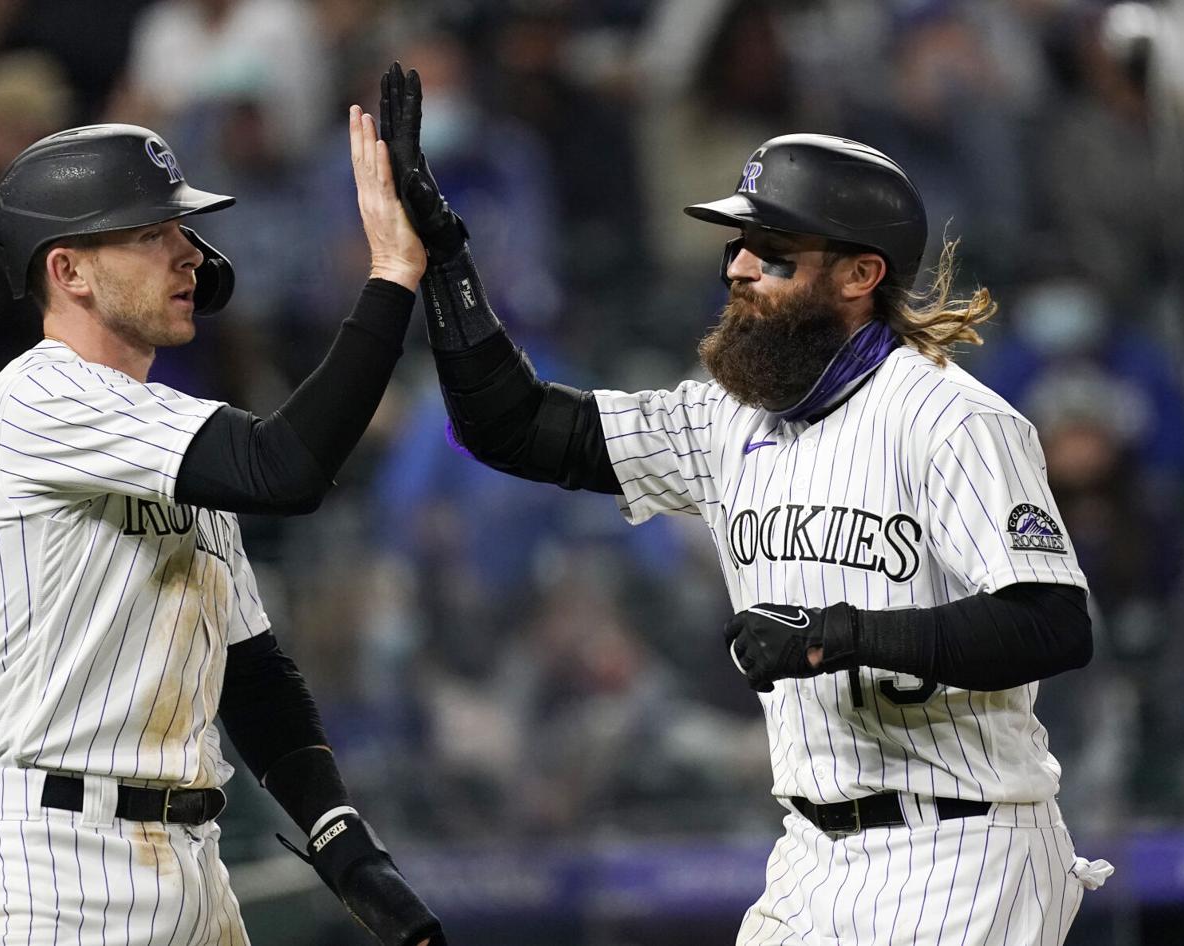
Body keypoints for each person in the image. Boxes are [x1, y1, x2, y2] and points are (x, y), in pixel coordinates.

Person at [378, 62, 1113, 945]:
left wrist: (840, 636)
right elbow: (513, 427)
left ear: (860, 273)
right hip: (810, 855)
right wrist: (446, 258)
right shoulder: (727, 418)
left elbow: (1052, 624)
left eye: (771, 249)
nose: (737, 265)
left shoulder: (951, 419)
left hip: (963, 847)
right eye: (737, 244)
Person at [0, 107, 443, 946]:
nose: (190, 254)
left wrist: (343, 842)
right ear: (68, 269)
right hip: (47, 870)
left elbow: (254, 673)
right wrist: (389, 275)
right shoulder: (33, 400)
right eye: (151, 234)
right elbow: (284, 467)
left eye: (182, 230)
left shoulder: (167, 431)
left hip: (190, 865)